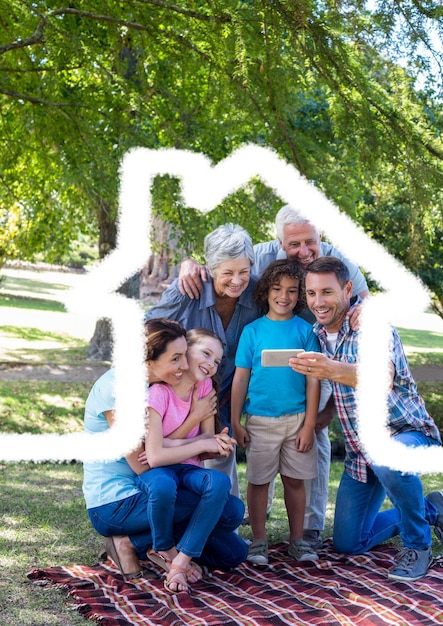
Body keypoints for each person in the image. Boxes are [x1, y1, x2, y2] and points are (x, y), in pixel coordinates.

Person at [178, 205, 370, 549]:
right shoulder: (259, 257)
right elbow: (221, 266)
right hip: (261, 380)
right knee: (255, 468)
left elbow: (364, 296)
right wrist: (188, 264)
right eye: (294, 244)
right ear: (280, 242)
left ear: (321, 237)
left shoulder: (338, 260)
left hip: (317, 356)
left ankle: (308, 528)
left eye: (310, 242)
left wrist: (361, 308)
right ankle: (253, 527)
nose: (303, 251)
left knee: (314, 439)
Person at [289, 256, 443, 581]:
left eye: (327, 292)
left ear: (347, 289)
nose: (318, 302)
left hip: (406, 431)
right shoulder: (316, 333)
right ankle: (432, 508)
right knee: (349, 543)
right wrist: (322, 415)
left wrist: (331, 368)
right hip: (361, 451)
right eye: (312, 293)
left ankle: (418, 545)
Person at [82, 318, 248, 582]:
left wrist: (211, 443)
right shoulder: (119, 390)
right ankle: (137, 543)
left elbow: (164, 447)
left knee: (232, 548)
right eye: (176, 358)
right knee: (223, 506)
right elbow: (145, 462)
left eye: (184, 356)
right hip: (116, 504)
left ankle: (151, 545)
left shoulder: (153, 385)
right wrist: (199, 434)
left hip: (153, 490)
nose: (184, 365)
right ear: (149, 361)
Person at [145, 224, 263, 497]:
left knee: (219, 457)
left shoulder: (257, 292)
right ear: (210, 268)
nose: (237, 280)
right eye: (228, 273)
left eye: (244, 272)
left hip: (225, 395)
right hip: (180, 397)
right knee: (178, 466)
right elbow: (147, 331)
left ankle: (224, 524)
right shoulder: (187, 289)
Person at [231, 260, 321, 565]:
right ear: (266, 291)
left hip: (297, 421)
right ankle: (258, 541)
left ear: (300, 296)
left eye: (292, 291)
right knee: (258, 481)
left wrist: (309, 425)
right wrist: (235, 421)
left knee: (295, 481)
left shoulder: (306, 331)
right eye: (277, 288)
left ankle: (298, 541)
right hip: (259, 421)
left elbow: (313, 381)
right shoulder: (252, 332)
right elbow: (240, 378)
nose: (284, 296)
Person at [137, 328, 233, 593]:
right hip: (159, 470)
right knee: (162, 487)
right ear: (184, 352)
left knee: (219, 482)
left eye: (217, 361)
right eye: (205, 353)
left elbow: (204, 441)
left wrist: (218, 444)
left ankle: (182, 557)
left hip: (188, 466)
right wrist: (201, 443)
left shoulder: (204, 388)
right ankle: (166, 552)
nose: (211, 364)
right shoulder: (159, 392)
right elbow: (154, 454)